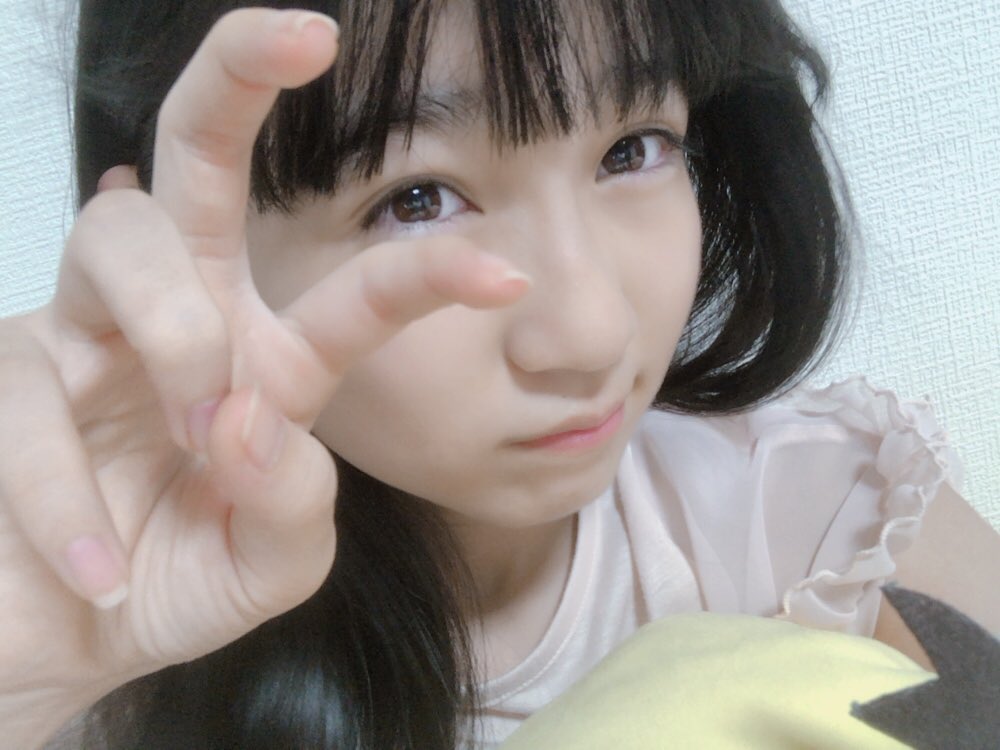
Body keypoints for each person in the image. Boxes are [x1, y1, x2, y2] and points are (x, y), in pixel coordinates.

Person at [0, 0, 997, 747]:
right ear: (190, 228)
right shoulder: (113, 652)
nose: (591, 332)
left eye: (632, 149)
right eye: (418, 199)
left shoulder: (830, 525)